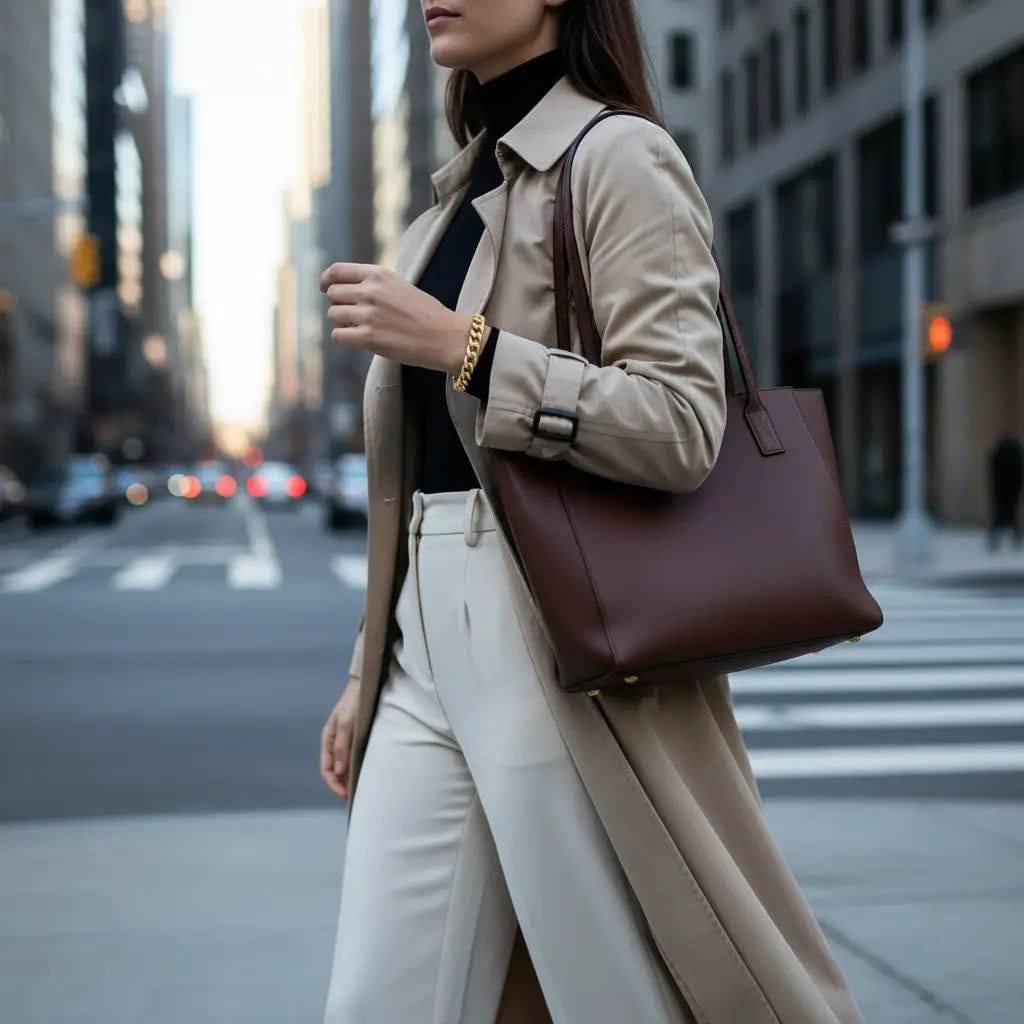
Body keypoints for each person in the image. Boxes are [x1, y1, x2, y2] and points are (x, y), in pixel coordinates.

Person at [317, 2, 863, 1021]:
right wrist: (368, 668)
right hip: (421, 647)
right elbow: (415, 473)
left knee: (607, 989)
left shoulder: (620, 156)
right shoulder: (449, 198)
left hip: (547, 629)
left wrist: (467, 349)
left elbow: (680, 421)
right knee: (378, 1000)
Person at [988, 433, 1024, 550]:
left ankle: (997, 539)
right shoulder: (1015, 453)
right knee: (1009, 514)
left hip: (1002, 490)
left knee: (1001, 515)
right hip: (1010, 490)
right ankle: (1011, 538)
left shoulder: (1000, 453)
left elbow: (993, 466)